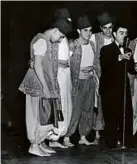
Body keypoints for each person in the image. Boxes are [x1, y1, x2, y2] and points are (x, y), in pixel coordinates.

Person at [19, 18, 71, 156]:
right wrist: (45, 88)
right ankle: (34, 145)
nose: (60, 40)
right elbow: (37, 65)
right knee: (36, 115)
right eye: (60, 36)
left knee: (44, 115)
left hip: (43, 83)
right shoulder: (41, 41)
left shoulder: (46, 41)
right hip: (36, 84)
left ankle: (40, 143)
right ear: (55, 30)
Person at [99, 23, 136, 150]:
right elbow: (105, 64)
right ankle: (112, 143)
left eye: (126, 33)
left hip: (123, 87)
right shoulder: (106, 49)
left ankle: (125, 141)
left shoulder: (129, 50)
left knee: (125, 114)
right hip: (109, 88)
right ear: (114, 34)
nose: (124, 36)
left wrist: (135, 68)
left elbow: (130, 69)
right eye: (121, 33)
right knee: (111, 116)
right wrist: (120, 57)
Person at [63, 15, 98, 146]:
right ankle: (67, 137)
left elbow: (95, 62)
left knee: (87, 110)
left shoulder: (93, 45)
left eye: (90, 30)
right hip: (77, 82)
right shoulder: (73, 45)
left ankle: (83, 136)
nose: (88, 33)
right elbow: (65, 61)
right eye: (85, 30)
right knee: (74, 110)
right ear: (79, 31)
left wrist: (93, 72)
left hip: (90, 81)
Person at [48, 8, 73, 149]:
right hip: (58, 75)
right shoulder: (55, 36)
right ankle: (52, 137)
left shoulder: (64, 37)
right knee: (58, 104)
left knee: (65, 104)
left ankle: (58, 137)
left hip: (66, 74)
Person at [89, 12, 115, 144]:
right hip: (98, 75)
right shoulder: (94, 38)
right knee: (97, 104)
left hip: (112, 76)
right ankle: (97, 134)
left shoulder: (115, 39)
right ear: (100, 28)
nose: (108, 31)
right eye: (105, 28)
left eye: (110, 28)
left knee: (111, 105)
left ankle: (111, 133)